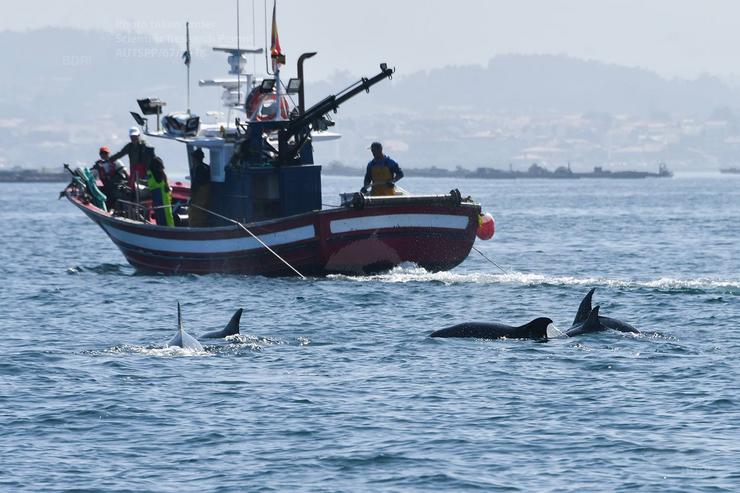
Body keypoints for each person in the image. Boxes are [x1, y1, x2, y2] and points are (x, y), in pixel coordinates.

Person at [147, 156, 174, 227]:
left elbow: (150, 184)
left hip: (157, 194)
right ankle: (170, 229)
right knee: (167, 214)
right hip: (164, 195)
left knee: (160, 214)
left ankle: (163, 229)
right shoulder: (162, 175)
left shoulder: (150, 172)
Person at [188, 147, 211, 227]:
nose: (192, 160)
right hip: (204, 196)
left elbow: (197, 184)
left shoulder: (200, 169)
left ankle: (195, 227)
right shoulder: (206, 167)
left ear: (196, 159)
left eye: (193, 158)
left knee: (195, 212)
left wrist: (191, 197)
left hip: (200, 196)